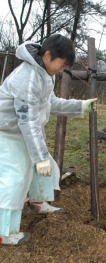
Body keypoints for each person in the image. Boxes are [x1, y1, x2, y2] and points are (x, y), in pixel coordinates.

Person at [0, 34, 97, 245]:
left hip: (27, 131)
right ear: (47, 55)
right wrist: (38, 157)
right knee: (15, 179)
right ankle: (4, 232)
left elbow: (51, 104)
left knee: (46, 167)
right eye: (61, 64)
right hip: (8, 133)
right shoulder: (26, 77)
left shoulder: (46, 74)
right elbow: (27, 121)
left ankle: (37, 202)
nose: (61, 70)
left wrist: (81, 106)